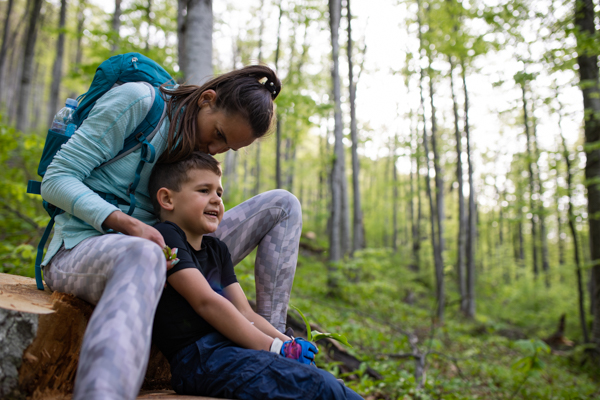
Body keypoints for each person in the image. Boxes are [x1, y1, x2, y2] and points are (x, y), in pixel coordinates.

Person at [40, 65, 303, 400]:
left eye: (228, 148)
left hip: (170, 257)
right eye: (219, 135)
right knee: (144, 253)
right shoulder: (138, 102)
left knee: (283, 204)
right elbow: (57, 178)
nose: (216, 149)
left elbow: (191, 218)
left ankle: (276, 352)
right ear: (207, 99)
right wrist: (129, 225)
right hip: (85, 249)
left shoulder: (195, 142)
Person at [149, 152, 363, 400]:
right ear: (167, 199)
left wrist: (288, 344)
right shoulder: (165, 235)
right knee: (319, 387)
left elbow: (246, 312)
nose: (216, 200)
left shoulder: (216, 249)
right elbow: (205, 301)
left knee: (323, 383)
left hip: (233, 349)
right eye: (204, 190)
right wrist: (276, 348)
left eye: (219, 193)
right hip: (199, 359)